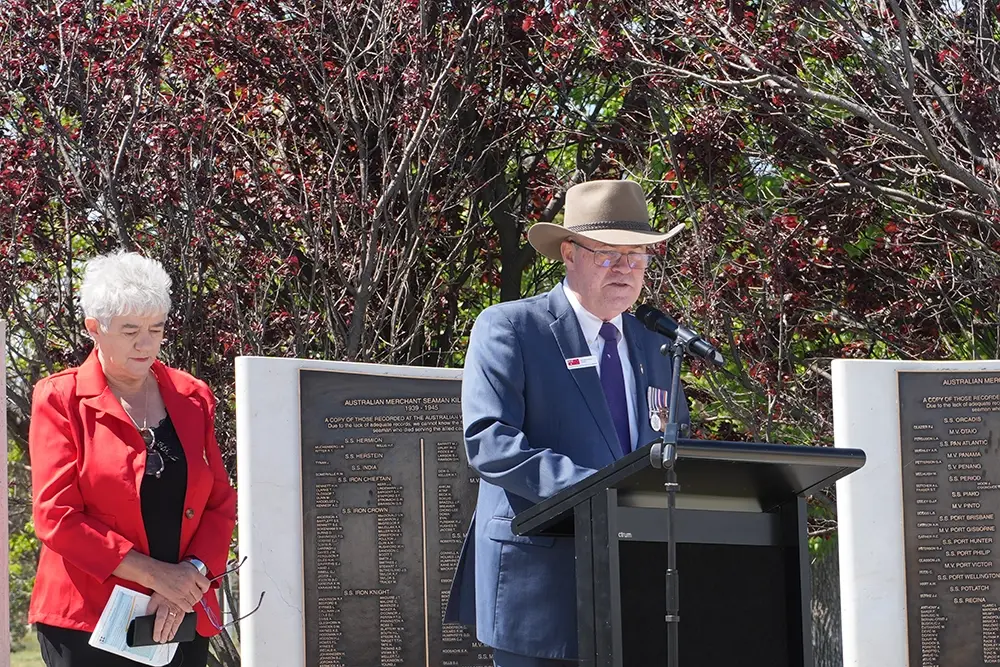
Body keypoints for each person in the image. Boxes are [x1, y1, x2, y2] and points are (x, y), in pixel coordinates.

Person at [446, 180, 690, 667]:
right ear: (568, 253)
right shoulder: (512, 327)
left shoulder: (656, 346)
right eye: (607, 255)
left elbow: (672, 444)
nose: (625, 269)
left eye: (636, 256)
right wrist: (599, 492)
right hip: (540, 587)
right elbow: (490, 441)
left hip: (637, 587)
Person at [28, 251, 238, 667]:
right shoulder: (59, 398)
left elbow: (219, 502)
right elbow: (56, 516)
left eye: (155, 329)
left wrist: (186, 583)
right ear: (95, 328)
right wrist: (157, 576)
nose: (146, 344)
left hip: (180, 612)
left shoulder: (193, 396)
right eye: (129, 330)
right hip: (86, 623)